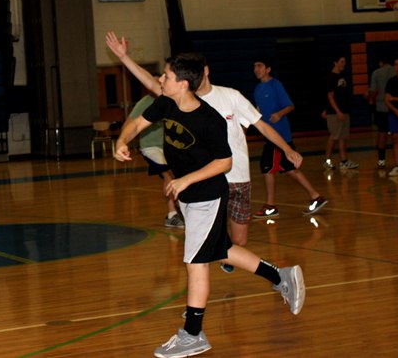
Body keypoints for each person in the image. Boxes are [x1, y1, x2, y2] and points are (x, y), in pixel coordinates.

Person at [113, 52, 305, 358]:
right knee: (221, 250)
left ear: (184, 83)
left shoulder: (209, 119)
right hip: (189, 195)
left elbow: (225, 162)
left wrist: (186, 180)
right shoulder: (167, 102)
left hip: (207, 195)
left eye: (166, 76)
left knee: (195, 261)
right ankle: (281, 277)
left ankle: (193, 334)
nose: (161, 80)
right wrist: (122, 142)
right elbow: (137, 123)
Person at [106, 31, 308, 274]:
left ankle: (253, 268)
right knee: (202, 250)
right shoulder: (178, 100)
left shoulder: (230, 96)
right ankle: (202, 298)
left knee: (237, 241)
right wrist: (124, 58)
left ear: (204, 71)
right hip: (205, 182)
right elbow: (151, 82)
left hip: (237, 176)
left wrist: (286, 149)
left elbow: (261, 125)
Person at [252, 57, 328, 219]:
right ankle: (316, 197)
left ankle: (271, 206)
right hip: (269, 136)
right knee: (290, 169)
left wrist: (279, 114)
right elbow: (258, 109)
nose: (256, 69)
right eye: (254, 67)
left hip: (279, 136)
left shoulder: (276, 85)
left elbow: (290, 106)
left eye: (259, 66)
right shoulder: (258, 89)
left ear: (268, 69)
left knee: (267, 168)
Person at [126, 88, 185, 228]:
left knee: (180, 177)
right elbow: (129, 123)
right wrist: (123, 142)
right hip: (151, 147)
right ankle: (172, 214)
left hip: (170, 147)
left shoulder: (172, 100)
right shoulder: (144, 103)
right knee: (169, 176)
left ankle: (182, 210)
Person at [322, 55, 359, 170]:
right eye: (341, 61)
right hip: (335, 113)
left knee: (342, 137)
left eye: (344, 62)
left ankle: (344, 161)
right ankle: (327, 161)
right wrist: (337, 111)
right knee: (334, 136)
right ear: (335, 62)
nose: (343, 64)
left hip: (343, 111)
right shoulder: (331, 77)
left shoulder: (342, 77)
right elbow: (330, 96)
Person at [367, 56, 396, 169]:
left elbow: (373, 91)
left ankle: (381, 160)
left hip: (382, 107)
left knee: (382, 133)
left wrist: (370, 97)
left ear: (380, 62)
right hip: (396, 107)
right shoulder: (396, 71)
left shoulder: (377, 73)